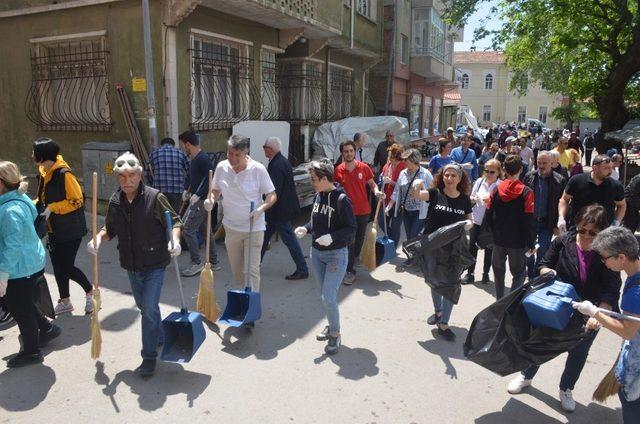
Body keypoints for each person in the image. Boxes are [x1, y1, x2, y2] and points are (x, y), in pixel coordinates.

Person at [507, 205, 621, 412]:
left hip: (588, 312)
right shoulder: (562, 241)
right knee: (541, 342)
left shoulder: (608, 253)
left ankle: (566, 388)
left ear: (602, 232)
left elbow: (611, 290)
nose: (586, 236)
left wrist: (599, 314)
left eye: (593, 232)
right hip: (556, 306)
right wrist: (548, 272)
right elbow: (542, 264)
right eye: (582, 230)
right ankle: (526, 375)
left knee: (578, 353)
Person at [87, 152, 182, 377]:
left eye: (132, 175)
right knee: (145, 307)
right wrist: (98, 238)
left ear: (140, 175)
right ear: (117, 177)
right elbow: (109, 230)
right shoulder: (115, 201)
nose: (127, 180)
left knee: (148, 307)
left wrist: (174, 239)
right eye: (122, 176)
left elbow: (175, 221)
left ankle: (148, 357)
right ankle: (159, 336)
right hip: (131, 264)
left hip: (155, 263)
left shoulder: (155, 197)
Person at [573, 226, 640, 423]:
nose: (603, 262)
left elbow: (627, 332)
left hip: (636, 366)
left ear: (621, 257)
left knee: (630, 402)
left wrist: (595, 313)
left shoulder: (635, 293)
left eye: (605, 258)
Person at [0, 161, 60, 367]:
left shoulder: (9, 211)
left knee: (20, 310)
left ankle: (32, 352)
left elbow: (12, 246)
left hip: (19, 268)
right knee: (22, 303)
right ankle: (47, 328)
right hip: (32, 262)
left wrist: (3, 274)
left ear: (2, 183)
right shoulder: (21, 198)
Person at [294, 159, 356, 355]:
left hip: (336, 255)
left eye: (313, 179)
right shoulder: (319, 195)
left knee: (328, 296)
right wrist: (306, 227)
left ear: (324, 178)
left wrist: (332, 237)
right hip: (317, 253)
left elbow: (351, 228)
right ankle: (331, 325)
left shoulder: (342, 200)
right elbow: (315, 218)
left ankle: (335, 334)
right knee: (326, 296)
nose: (311, 182)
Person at [208, 135, 277, 298]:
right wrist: (211, 200)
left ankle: (250, 307)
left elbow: (271, 195)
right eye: (230, 153)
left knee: (251, 270)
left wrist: (261, 209)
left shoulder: (257, 169)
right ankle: (242, 297)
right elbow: (215, 189)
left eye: (237, 155)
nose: (232, 158)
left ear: (246, 153)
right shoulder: (221, 167)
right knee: (237, 271)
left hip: (254, 227)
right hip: (231, 227)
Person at [412, 163, 473, 341]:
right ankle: (438, 312)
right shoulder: (435, 193)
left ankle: (444, 323)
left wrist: (467, 225)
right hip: (433, 247)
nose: (449, 178)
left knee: (451, 284)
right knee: (434, 281)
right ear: (442, 176)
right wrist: (417, 184)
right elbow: (418, 195)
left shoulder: (464, 199)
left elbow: (470, 220)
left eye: (453, 175)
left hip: (454, 250)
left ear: (459, 179)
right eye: (447, 175)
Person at [32, 138, 93, 315]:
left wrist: (53, 208)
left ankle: (90, 293)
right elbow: (44, 199)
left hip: (70, 230)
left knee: (66, 266)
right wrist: (32, 204)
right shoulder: (45, 171)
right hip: (53, 229)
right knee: (58, 266)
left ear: (42, 156)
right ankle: (65, 301)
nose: (31, 155)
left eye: (34, 152)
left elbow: (77, 201)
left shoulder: (64, 174)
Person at [334, 140, 385, 285]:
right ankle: (349, 271)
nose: (349, 153)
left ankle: (355, 257)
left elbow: (372, 184)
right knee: (349, 240)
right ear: (342, 153)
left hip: (363, 210)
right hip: (345, 213)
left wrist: (377, 192)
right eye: (346, 151)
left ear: (354, 152)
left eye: (351, 151)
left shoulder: (364, 168)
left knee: (359, 239)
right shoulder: (338, 170)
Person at [485, 155, 536, 299]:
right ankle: (509, 303)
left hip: (499, 240)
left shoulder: (496, 190)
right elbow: (528, 220)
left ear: (504, 170)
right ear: (521, 169)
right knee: (519, 274)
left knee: (498, 274)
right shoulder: (527, 192)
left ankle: (499, 300)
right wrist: (531, 242)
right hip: (518, 242)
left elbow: (488, 214)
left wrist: (493, 232)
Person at [260, 136, 309, 280]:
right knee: (263, 238)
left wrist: (266, 211)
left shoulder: (277, 165)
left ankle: (302, 268)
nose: (263, 149)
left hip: (280, 211)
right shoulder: (278, 161)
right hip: (279, 210)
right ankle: (254, 266)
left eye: (265, 147)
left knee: (289, 240)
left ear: (271, 149)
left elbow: (274, 192)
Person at [178, 130, 220, 276]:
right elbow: (191, 176)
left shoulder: (203, 159)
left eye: (182, 145)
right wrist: (186, 189)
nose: (182, 148)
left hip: (202, 201)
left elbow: (211, 178)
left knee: (187, 230)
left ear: (188, 144)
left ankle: (196, 263)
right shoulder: (194, 159)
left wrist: (199, 194)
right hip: (198, 199)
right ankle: (214, 262)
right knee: (205, 231)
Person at [523, 151, 567, 280]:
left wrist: (557, 224)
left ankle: (536, 276)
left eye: (544, 163)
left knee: (543, 251)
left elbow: (563, 202)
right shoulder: (529, 177)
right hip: (530, 221)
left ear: (551, 163)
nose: (541, 166)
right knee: (528, 250)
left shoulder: (559, 180)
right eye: (539, 163)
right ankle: (530, 272)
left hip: (547, 223)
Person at [558, 154, 626, 232]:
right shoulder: (576, 180)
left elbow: (622, 205)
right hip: (578, 229)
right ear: (595, 168)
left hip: (603, 233)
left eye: (611, 167)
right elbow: (564, 199)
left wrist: (616, 223)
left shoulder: (616, 186)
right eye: (606, 168)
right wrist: (561, 218)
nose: (610, 171)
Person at [464, 158, 502, 284]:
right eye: (487, 171)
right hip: (476, 219)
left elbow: (503, 205)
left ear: (498, 172)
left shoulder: (500, 185)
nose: (489, 174)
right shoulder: (480, 181)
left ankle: (485, 274)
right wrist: (474, 198)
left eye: (492, 172)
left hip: (491, 222)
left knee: (489, 248)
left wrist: (490, 201)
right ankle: (470, 273)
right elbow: (471, 197)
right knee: (472, 247)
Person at [386, 148, 432, 246]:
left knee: (413, 236)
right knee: (409, 236)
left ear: (414, 160)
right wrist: (389, 205)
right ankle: (413, 257)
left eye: (406, 160)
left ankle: (413, 259)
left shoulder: (426, 174)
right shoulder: (403, 173)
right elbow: (397, 190)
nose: (403, 162)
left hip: (419, 211)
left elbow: (433, 192)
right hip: (406, 211)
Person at [146, 137, 189, 213]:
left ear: (161, 145)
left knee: (161, 215)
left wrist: (152, 184)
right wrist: (186, 186)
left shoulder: (154, 153)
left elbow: (147, 173)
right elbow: (189, 170)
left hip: (159, 190)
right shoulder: (181, 153)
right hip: (177, 190)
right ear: (173, 144)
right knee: (175, 215)